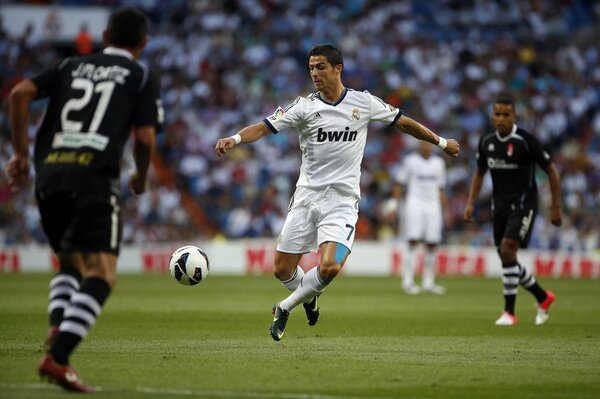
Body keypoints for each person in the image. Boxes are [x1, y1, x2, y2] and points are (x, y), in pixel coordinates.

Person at [215, 44, 460, 341]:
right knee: (281, 269)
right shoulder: (304, 107)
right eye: (311, 68)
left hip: (342, 200)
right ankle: (309, 296)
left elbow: (404, 123)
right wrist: (236, 138)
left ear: (337, 69)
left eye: (320, 67)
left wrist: (442, 143)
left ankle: (286, 307)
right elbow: (265, 127)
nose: (314, 73)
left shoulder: (363, 103)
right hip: (306, 198)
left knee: (329, 266)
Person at [6, 7, 161, 392]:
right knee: (102, 274)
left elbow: (20, 93)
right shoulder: (140, 74)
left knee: (71, 261)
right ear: (143, 42)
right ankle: (58, 358)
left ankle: (58, 322)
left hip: (51, 175)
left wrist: (22, 154)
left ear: (105, 35)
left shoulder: (69, 65)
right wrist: (140, 176)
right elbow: (144, 138)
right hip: (93, 178)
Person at [463, 97, 562, 326]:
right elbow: (479, 173)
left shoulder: (525, 141)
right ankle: (543, 296)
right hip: (500, 207)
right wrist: (470, 203)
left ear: (514, 116)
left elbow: (552, 172)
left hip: (525, 203)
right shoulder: (486, 142)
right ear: (492, 116)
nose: (501, 119)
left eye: (506, 114)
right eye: (497, 114)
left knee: (508, 250)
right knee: (507, 258)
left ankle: (509, 312)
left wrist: (555, 207)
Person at [395, 141, 450, 295]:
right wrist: (394, 203)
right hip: (415, 204)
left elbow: (441, 188)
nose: (426, 147)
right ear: (419, 145)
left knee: (432, 243)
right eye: (423, 144)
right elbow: (400, 183)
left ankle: (428, 282)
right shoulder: (410, 161)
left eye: (428, 144)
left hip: (433, 206)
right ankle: (408, 281)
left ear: (432, 146)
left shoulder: (439, 163)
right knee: (413, 240)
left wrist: (446, 211)